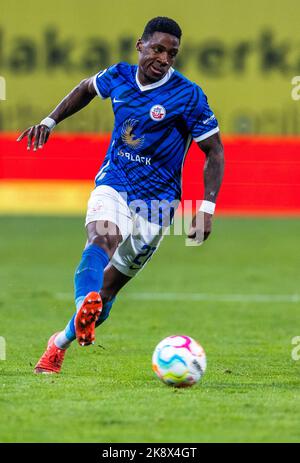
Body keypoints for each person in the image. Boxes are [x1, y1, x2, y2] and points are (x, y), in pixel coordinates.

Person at [17, 17, 224, 374]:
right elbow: (85, 88)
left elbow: (215, 151)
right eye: (158, 49)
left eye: (172, 54)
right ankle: (86, 302)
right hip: (116, 181)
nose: (164, 58)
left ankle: (60, 342)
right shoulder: (119, 76)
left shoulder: (188, 96)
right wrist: (50, 121)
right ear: (140, 45)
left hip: (157, 204)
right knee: (101, 237)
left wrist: (206, 206)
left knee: (109, 292)